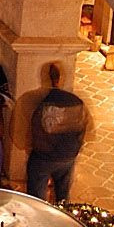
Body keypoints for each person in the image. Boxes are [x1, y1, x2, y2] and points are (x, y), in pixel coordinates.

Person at [27, 63, 92, 203]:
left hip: (43, 158)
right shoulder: (75, 101)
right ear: (61, 78)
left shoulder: (38, 100)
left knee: (36, 198)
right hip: (68, 157)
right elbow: (87, 128)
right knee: (63, 195)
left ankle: (38, 219)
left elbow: (28, 131)